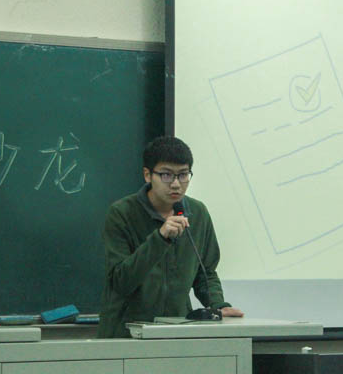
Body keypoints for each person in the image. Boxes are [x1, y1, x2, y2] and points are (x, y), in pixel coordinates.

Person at [98, 136, 243, 338]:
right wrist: (160, 239)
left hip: (176, 329)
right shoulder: (122, 213)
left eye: (183, 175)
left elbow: (206, 272)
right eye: (166, 175)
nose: (176, 184)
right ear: (148, 175)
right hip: (126, 332)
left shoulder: (198, 213)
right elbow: (121, 281)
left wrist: (218, 304)